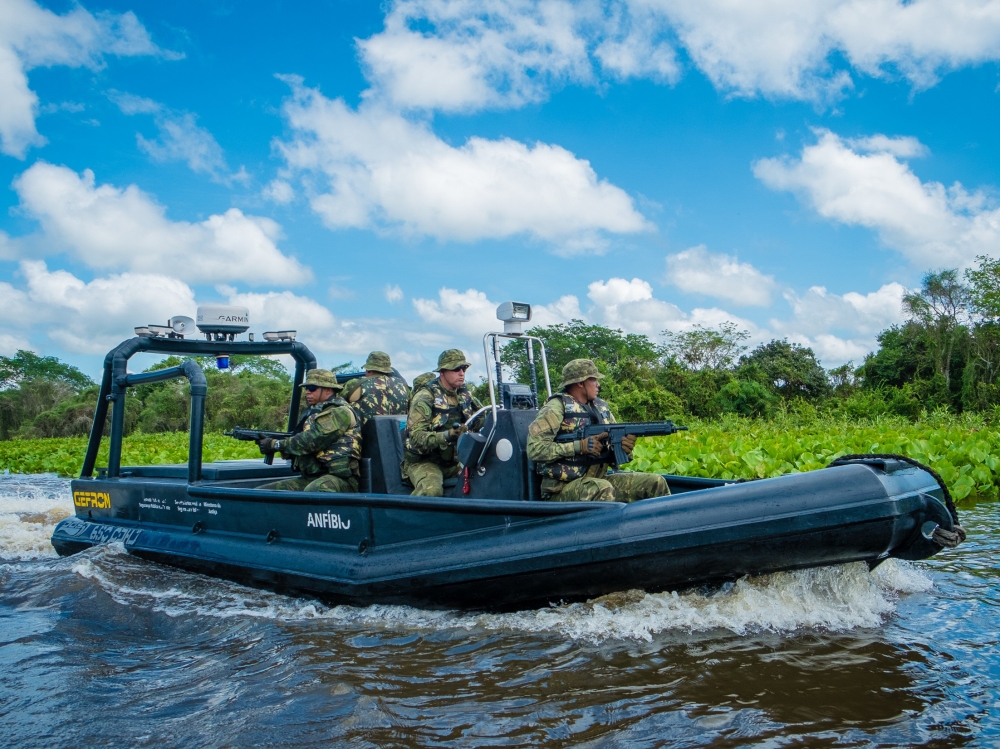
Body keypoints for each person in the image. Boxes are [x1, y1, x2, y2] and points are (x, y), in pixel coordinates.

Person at [526, 358, 669, 503]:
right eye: (593, 380)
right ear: (580, 383)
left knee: (656, 483)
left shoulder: (601, 407)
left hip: (598, 480)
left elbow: (612, 446)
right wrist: (578, 447)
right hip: (562, 489)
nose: (598, 384)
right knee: (602, 489)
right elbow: (534, 449)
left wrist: (624, 448)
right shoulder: (555, 408)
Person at [255, 369, 362, 492]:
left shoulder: (340, 411)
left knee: (315, 490)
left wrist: (275, 444)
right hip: (313, 477)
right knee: (263, 493)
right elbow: (300, 442)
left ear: (328, 389)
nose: (307, 392)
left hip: (340, 480)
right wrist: (281, 447)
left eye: (312, 388)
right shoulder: (312, 414)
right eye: (306, 388)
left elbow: (313, 440)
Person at [402, 350, 484, 496]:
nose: (461, 373)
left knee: (488, 478)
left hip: (454, 463)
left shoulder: (465, 394)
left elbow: (482, 417)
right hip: (424, 461)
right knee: (431, 490)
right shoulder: (425, 396)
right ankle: (414, 517)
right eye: (456, 369)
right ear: (442, 372)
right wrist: (448, 435)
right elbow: (416, 437)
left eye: (464, 368)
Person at [340, 351, 410, 426]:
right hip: (398, 435)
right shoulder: (403, 386)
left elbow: (337, 403)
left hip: (363, 435)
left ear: (368, 369)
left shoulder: (355, 384)